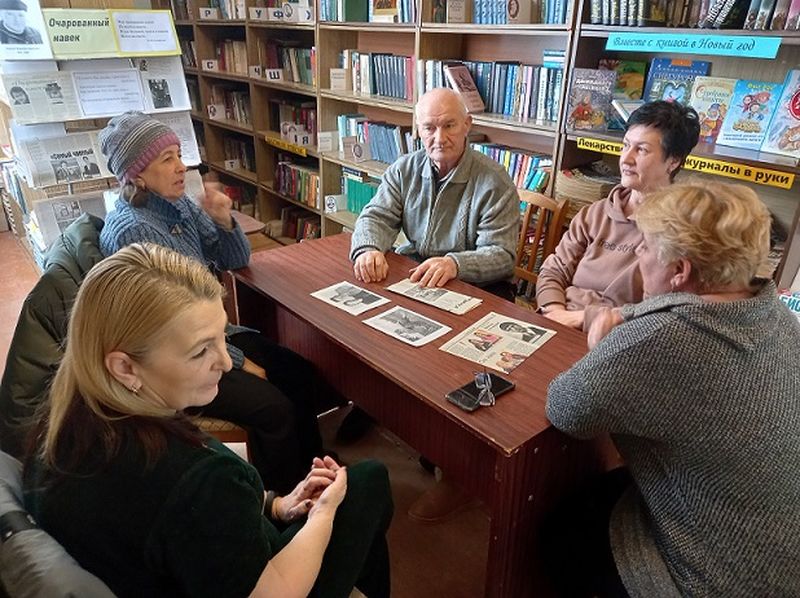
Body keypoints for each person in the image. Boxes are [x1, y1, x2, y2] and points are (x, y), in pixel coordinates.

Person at [23, 243, 393, 598]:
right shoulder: (193, 478)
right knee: (367, 481)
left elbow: (184, 525)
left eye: (222, 336)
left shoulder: (63, 423)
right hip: (260, 579)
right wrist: (323, 514)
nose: (227, 362)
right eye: (201, 350)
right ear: (124, 367)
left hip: (193, 566)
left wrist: (276, 505)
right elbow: (275, 592)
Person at [545, 182, 800, 597]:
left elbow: (566, 409)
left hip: (714, 581)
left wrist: (602, 347)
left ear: (679, 270)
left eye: (644, 247)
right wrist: (622, 317)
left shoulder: (658, 340)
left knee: (559, 530)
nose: (639, 255)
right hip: (781, 559)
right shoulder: (776, 314)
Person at [97, 111, 342, 493]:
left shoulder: (176, 204)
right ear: (137, 174)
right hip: (175, 358)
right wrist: (240, 363)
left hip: (212, 334)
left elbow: (235, 259)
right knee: (274, 409)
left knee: (300, 374)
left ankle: (312, 467)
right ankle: (288, 499)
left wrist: (224, 219)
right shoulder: (136, 229)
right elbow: (173, 327)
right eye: (168, 159)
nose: (182, 167)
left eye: (179, 154)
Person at [536, 100, 700, 331]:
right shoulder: (595, 213)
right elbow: (554, 269)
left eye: (641, 149)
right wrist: (554, 311)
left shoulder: (683, 231)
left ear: (673, 161)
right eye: (625, 146)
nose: (626, 159)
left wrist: (584, 319)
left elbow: (667, 310)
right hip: (558, 322)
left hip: (620, 339)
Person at [350, 87, 519, 296]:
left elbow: (502, 255)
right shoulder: (404, 169)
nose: (439, 138)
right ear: (418, 130)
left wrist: (454, 264)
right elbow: (377, 216)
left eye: (449, 126)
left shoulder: (495, 182)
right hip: (419, 274)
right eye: (429, 128)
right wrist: (369, 249)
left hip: (476, 287)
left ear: (467, 125)